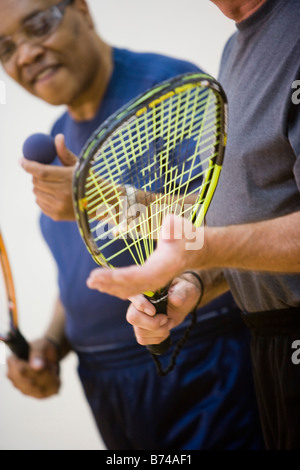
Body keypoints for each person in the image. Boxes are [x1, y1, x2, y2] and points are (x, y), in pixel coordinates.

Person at [1, 0, 264, 450]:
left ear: (82, 10)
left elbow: (228, 229)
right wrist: (51, 342)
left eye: (38, 24)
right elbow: (84, 272)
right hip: (106, 387)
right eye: (5, 48)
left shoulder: (172, 89)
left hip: (202, 366)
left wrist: (98, 200)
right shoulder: (59, 131)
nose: (25, 54)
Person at [86, 0, 300, 450]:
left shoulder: (164, 78)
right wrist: (192, 284)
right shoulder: (234, 49)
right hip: (269, 348)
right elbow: (250, 215)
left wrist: (197, 248)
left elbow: (208, 232)